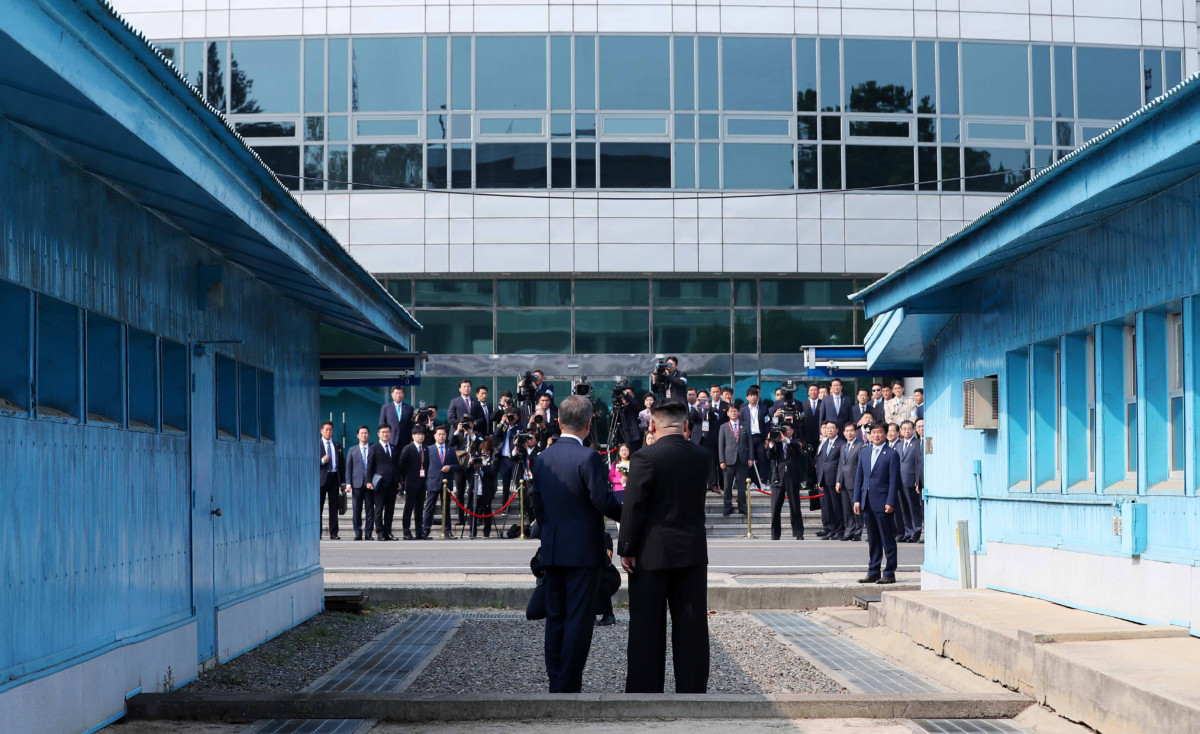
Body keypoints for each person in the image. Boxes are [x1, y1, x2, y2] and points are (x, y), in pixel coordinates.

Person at [530, 396, 622, 694]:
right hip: (583, 551)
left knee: (556, 615)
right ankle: (569, 683)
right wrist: (630, 513)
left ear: (558, 422)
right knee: (579, 619)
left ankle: (555, 678)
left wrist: (548, 532)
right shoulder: (589, 458)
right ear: (589, 423)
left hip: (554, 548)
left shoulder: (542, 458)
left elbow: (537, 503)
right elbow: (601, 500)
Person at [618, 400, 710, 694]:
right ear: (686, 426)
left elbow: (633, 505)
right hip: (692, 551)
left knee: (646, 627)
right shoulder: (701, 455)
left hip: (651, 553)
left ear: (652, 425)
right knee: (692, 627)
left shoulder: (645, 457)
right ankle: (693, 689)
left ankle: (645, 690)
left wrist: (627, 548)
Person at [853, 423, 902, 585]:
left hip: (883, 502)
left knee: (887, 539)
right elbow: (859, 477)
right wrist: (857, 499)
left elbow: (894, 481)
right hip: (867, 501)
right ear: (869, 435)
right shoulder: (865, 452)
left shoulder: (892, 454)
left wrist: (890, 501)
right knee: (873, 540)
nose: (876, 435)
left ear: (886, 434)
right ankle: (873, 571)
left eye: (880, 432)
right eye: (873, 432)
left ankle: (889, 572)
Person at [766, 424, 807, 540]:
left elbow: (799, 446)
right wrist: (771, 443)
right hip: (777, 477)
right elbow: (769, 456)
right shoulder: (776, 441)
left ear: (792, 430)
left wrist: (786, 440)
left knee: (795, 506)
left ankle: (798, 533)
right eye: (782, 430)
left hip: (792, 477)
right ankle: (775, 534)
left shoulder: (795, 441)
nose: (784, 432)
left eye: (786, 430)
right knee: (775, 507)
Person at [422, 426, 460, 539]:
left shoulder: (451, 449)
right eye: (439, 434)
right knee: (430, 507)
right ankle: (425, 530)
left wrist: (450, 467)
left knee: (446, 508)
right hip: (433, 481)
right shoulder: (429, 449)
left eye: (443, 434)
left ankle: (447, 530)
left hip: (446, 482)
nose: (441, 436)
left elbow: (457, 465)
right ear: (434, 436)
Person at [365, 423, 400, 541]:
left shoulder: (394, 447)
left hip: (392, 483)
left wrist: (399, 480)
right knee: (379, 509)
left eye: (387, 432)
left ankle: (388, 532)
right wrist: (368, 481)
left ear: (390, 433)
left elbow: (396, 465)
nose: (385, 434)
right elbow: (370, 466)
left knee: (390, 510)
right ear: (378, 434)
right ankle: (380, 532)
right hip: (380, 483)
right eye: (383, 432)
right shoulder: (374, 448)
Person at [814, 421, 845, 539]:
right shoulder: (825, 442)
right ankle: (831, 529)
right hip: (824, 479)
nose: (830, 430)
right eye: (828, 428)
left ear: (837, 430)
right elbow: (821, 461)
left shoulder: (841, 443)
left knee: (837, 506)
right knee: (828, 506)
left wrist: (839, 480)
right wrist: (820, 479)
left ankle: (840, 530)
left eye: (832, 428)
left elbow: (841, 464)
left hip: (834, 479)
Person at [835, 421, 864, 542]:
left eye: (851, 431)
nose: (849, 433)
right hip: (844, 482)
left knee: (856, 508)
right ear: (843, 433)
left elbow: (860, 465)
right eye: (847, 431)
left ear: (855, 432)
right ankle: (849, 530)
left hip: (855, 481)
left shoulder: (860, 445)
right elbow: (841, 465)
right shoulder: (843, 447)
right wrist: (838, 481)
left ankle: (858, 531)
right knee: (846, 509)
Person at [718, 403, 749, 517]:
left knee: (742, 486)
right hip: (728, 460)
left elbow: (749, 444)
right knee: (727, 486)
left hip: (742, 460)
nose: (734, 413)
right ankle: (727, 506)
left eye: (735, 411)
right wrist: (722, 460)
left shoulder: (745, 426)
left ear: (739, 412)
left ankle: (742, 506)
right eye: (731, 411)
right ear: (728, 413)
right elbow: (721, 445)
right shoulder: (724, 427)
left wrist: (750, 458)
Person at [398, 427, 428, 540]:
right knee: (408, 508)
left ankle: (419, 532)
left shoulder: (425, 448)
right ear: (413, 436)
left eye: (422, 434)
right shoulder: (408, 448)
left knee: (419, 509)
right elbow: (401, 465)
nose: (420, 436)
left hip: (422, 483)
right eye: (418, 434)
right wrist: (403, 480)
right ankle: (406, 531)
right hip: (410, 483)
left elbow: (427, 465)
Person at [346, 425, 375, 541]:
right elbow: (348, 468)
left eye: (366, 433)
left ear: (369, 435)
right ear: (358, 435)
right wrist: (348, 483)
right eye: (362, 433)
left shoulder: (373, 448)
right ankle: (358, 533)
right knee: (356, 510)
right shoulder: (352, 450)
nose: (364, 435)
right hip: (356, 484)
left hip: (370, 484)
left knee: (370, 510)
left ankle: (368, 534)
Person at [896, 420, 924, 543]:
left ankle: (916, 531)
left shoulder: (917, 443)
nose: (906, 431)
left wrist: (917, 479)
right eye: (904, 429)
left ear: (913, 430)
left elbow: (919, 463)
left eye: (909, 429)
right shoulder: (899, 445)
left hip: (911, 480)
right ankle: (908, 531)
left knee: (913, 507)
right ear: (901, 431)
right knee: (904, 508)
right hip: (900, 480)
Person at [467, 438, 500, 538]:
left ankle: (486, 533)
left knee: (487, 512)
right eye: (483, 452)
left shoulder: (493, 462)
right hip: (475, 490)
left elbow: (492, 473)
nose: (485, 454)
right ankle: (473, 532)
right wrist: (470, 463)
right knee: (473, 511)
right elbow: (467, 472)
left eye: (487, 452)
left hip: (486, 491)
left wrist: (482, 466)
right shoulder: (476, 460)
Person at [319, 420, 345, 540]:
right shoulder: (317, 445)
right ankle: (317, 532)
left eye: (330, 430)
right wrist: (322, 461)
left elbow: (341, 465)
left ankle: (333, 532)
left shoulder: (337, 446)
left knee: (333, 506)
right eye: (326, 430)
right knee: (319, 506)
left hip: (334, 478)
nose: (329, 432)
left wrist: (343, 482)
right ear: (322, 431)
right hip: (322, 479)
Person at [739, 387, 770, 485]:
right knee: (749, 460)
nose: (753, 397)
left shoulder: (763, 408)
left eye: (754, 395)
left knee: (762, 459)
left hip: (760, 437)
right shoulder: (743, 410)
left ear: (758, 397)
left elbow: (767, 424)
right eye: (750, 395)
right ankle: (750, 481)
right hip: (748, 438)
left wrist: (767, 439)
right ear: (747, 397)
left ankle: (762, 481)